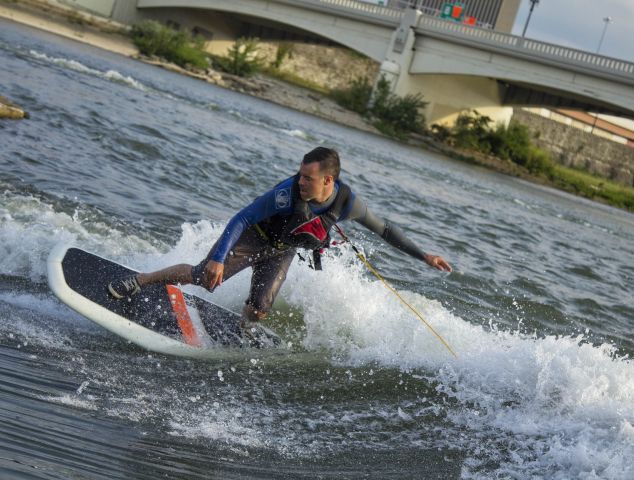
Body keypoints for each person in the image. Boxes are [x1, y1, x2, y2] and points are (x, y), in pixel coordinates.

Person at [108, 147, 452, 328]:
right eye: (300, 174)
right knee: (204, 278)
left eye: (308, 179)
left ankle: (242, 332)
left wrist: (424, 256)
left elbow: (387, 230)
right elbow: (242, 217)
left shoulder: (349, 203)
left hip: (281, 251)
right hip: (253, 238)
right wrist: (217, 258)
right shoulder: (284, 195)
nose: (300, 181)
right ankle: (141, 280)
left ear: (328, 182)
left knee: (260, 310)